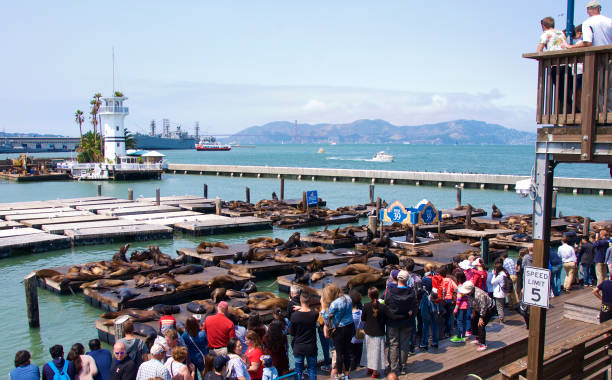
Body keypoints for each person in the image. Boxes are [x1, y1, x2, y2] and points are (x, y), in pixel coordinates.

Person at [568, 1, 612, 111]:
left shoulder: (587, 23)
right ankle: (610, 114)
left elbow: (587, 42)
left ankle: (602, 114)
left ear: (588, 11)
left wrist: (570, 47)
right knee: (609, 87)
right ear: (599, 9)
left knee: (598, 88)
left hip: (596, 58)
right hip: (610, 57)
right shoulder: (609, 21)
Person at [386, 270, 417, 375]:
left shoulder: (391, 291)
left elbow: (386, 303)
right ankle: (403, 367)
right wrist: (409, 314)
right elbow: (414, 307)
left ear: (398, 278)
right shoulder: (411, 292)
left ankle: (393, 368)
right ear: (407, 279)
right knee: (404, 344)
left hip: (393, 322)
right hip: (407, 322)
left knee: (393, 344)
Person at [321, 284, 354, 380]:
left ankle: (339, 375)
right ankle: (347, 374)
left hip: (340, 329)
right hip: (350, 326)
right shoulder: (348, 298)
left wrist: (323, 308)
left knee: (339, 353)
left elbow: (326, 318)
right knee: (347, 351)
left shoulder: (334, 304)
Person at [289, 291, 318, 380]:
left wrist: (300, 307)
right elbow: (308, 310)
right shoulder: (314, 314)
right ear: (309, 301)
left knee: (298, 371)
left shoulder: (294, 316)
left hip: (298, 347)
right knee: (312, 370)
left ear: (300, 300)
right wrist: (302, 306)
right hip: (311, 347)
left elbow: (292, 333)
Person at [361, 287, 389, 378]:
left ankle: (369, 368)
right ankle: (375, 372)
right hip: (379, 332)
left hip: (368, 332)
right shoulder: (383, 307)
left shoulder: (365, 306)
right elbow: (387, 318)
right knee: (377, 352)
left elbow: (363, 319)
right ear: (378, 295)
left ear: (369, 296)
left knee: (368, 351)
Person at [460, 281, 496, 352]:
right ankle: (477, 337)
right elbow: (471, 302)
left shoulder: (479, 294)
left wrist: (481, 317)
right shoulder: (469, 294)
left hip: (488, 309)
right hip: (477, 308)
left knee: (481, 325)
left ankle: (483, 344)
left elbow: (483, 307)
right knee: (473, 321)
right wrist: (473, 312)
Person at [451, 271, 470, 343]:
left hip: (461, 306)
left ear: (458, 278)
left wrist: (456, 308)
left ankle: (459, 336)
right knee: (464, 321)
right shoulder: (465, 285)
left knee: (459, 321)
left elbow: (459, 299)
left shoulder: (459, 287)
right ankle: (464, 336)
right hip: (466, 305)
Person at [348, 289, 364, 372]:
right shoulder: (361, 311)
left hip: (352, 339)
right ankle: (360, 363)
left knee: (352, 355)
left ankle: (353, 367)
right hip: (361, 336)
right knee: (359, 352)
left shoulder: (350, 315)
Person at [441, 267, 457, 337]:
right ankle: (450, 331)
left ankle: (444, 332)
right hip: (450, 299)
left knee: (443, 316)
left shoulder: (440, 280)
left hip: (443, 300)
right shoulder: (450, 280)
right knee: (450, 315)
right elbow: (456, 288)